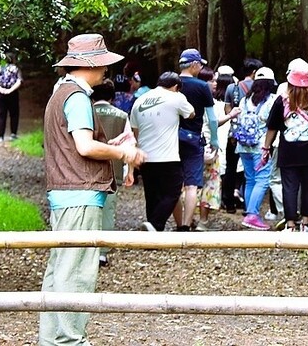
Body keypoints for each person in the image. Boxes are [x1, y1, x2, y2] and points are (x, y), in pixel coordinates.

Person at [39, 33, 145, 346]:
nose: (105, 71)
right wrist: (123, 153)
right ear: (90, 64)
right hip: (79, 193)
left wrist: (109, 146)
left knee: (59, 269)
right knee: (76, 272)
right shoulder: (77, 97)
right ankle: (70, 340)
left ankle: (52, 339)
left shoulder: (60, 93)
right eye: (102, 64)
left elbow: (75, 145)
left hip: (64, 191)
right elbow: (84, 147)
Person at [263, 61, 308, 231]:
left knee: (289, 186)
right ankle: (306, 222)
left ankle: (291, 223)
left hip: (289, 149)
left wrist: (266, 147)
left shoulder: (283, 100)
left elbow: (272, 126)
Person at [131, 72, 195, 232]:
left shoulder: (140, 100)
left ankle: (152, 231)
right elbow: (191, 113)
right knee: (173, 192)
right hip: (168, 156)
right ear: (175, 87)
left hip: (144, 155)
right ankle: (155, 224)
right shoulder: (176, 97)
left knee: (151, 195)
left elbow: (135, 131)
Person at [174, 48, 220, 230]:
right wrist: (214, 140)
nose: (201, 68)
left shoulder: (171, 84)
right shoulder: (202, 86)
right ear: (193, 65)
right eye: (200, 64)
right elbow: (212, 118)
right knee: (192, 184)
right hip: (193, 139)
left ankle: (178, 223)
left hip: (172, 139)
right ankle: (186, 225)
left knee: (176, 184)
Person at [91, 79, 132, 267]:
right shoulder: (122, 115)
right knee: (108, 210)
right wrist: (130, 171)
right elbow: (130, 144)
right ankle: (103, 252)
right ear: (112, 96)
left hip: (87, 171)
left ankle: (86, 247)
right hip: (112, 171)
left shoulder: (86, 114)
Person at [197, 66, 240, 231]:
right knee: (209, 183)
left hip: (192, 145)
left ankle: (188, 219)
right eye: (211, 80)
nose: (215, 83)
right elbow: (212, 123)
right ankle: (203, 220)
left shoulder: (189, 98)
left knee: (191, 183)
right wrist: (230, 115)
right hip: (208, 146)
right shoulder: (210, 103)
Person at [235, 67, 278, 230]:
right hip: (260, 146)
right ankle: (253, 215)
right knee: (262, 179)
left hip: (243, 145)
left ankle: (249, 213)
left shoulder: (245, 100)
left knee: (250, 179)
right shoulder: (271, 101)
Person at [223, 58, 263, 213]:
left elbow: (228, 111)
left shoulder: (231, 88)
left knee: (230, 168)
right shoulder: (260, 88)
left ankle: (229, 203)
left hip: (235, 134)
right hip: (255, 135)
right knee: (251, 171)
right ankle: (249, 205)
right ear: (254, 72)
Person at [0, 51, 23, 143]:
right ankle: (13, 134)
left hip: (0, 93)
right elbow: (19, 81)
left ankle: (1, 136)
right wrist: (10, 90)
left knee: (1, 115)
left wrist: (0, 89)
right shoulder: (16, 69)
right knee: (14, 114)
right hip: (13, 93)